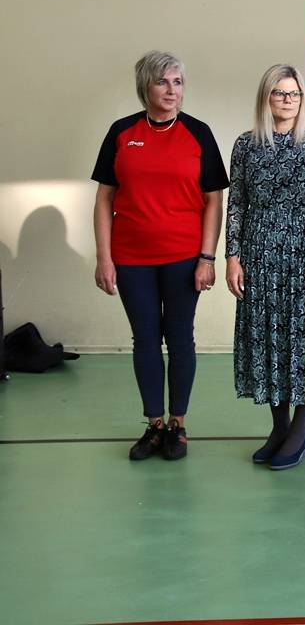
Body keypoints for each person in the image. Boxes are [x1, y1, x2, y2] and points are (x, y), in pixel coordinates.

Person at [91, 50, 228, 461]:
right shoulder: (122, 132)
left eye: (178, 82)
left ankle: (178, 425)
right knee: (146, 338)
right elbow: (104, 199)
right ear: (145, 87)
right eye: (162, 82)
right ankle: (154, 425)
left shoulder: (198, 133)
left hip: (184, 257)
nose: (171, 90)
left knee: (180, 337)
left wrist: (207, 258)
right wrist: (104, 257)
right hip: (131, 258)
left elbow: (214, 201)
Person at [225, 65, 305, 471]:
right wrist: (232, 256)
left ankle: (299, 432)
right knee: (268, 341)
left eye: (294, 93)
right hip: (259, 256)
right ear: (266, 97)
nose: (288, 100)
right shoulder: (245, 145)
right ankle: (279, 428)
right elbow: (236, 203)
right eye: (279, 92)